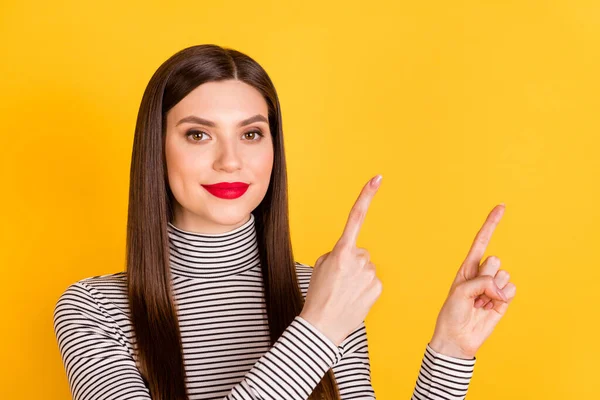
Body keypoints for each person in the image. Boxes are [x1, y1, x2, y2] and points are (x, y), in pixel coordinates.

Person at [53, 44, 516, 400]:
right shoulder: (93, 309)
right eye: (198, 134)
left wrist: (450, 353)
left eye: (251, 134)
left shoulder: (324, 292)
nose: (230, 161)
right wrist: (317, 329)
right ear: (156, 149)